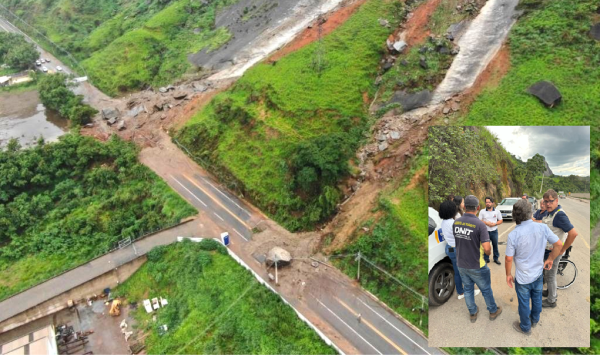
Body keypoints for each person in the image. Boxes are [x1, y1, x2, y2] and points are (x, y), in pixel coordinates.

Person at [505, 199, 564, 335]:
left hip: (522, 278)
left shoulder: (513, 234)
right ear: (531, 212)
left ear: (514, 215)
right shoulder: (542, 227)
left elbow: (508, 258)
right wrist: (550, 259)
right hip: (538, 275)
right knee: (537, 299)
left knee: (524, 303)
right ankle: (535, 320)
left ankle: (525, 327)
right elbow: (559, 244)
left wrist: (508, 274)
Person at [454, 195, 502, 323]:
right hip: (477, 264)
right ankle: (493, 311)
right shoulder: (480, 225)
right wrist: (489, 252)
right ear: (478, 208)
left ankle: (473, 313)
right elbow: (487, 248)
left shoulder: (456, 222)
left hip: (461, 263)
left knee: (468, 289)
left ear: (464, 207)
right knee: (485, 289)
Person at [541, 189, 578, 308]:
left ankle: (552, 300)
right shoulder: (549, 212)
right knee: (547, 274)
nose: (548, 204)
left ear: (556, 200)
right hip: (547, 250)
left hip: (554, 252)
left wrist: (562, 250)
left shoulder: (560, 215)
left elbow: (573, 233)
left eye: (550, 201)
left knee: (550, 276)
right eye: (546, 201)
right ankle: (549, 292)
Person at [440, 200, 481, 300]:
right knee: (466, 271)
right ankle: (468, 291)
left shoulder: (443, 222)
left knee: (457, 272)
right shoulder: (453, 223)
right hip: (457, 249)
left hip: (449, 248)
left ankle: (460, 292)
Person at [478, 197, 503, 265]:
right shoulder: (482, 211)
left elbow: (501, 220)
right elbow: (479, 220)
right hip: (485, 232)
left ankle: (496, 258)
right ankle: (486, 259)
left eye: (489, 202)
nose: (487, 204)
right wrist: (486, 223)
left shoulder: (497, 211)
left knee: (495, 245)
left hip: (494, 231)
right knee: (486, 245)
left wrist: (495, 224)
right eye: (486, 202)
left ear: (492, 203)